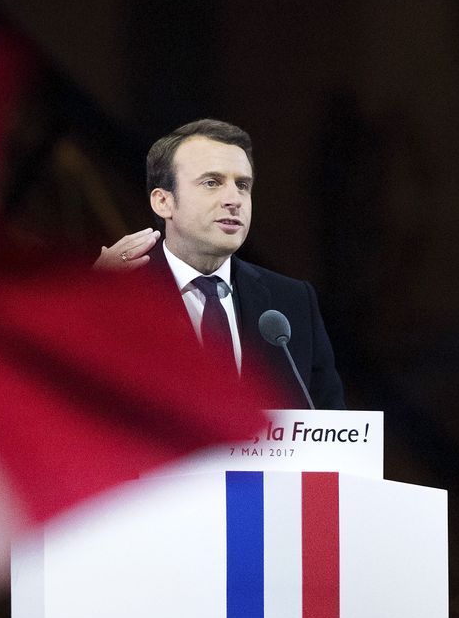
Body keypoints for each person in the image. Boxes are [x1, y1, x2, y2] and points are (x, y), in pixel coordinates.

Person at [95, 119, 345, 409]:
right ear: (163, 202)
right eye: (212, 183)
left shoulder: (292, 303)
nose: (233, 200)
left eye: (242, 185)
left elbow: (332, 428)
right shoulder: (113, 295)